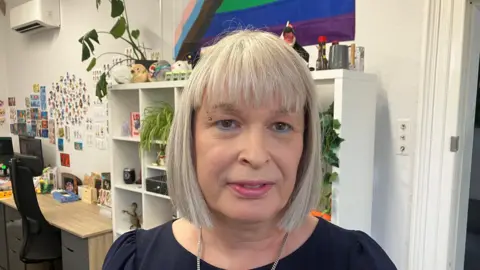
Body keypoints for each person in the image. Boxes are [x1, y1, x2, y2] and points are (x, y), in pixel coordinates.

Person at [102, 30, 397, 270]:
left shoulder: (356, 262)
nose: (255, 155)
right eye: (227, 123)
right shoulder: (136, 261)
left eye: (281, 126)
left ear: (305, 145)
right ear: (189, 138)